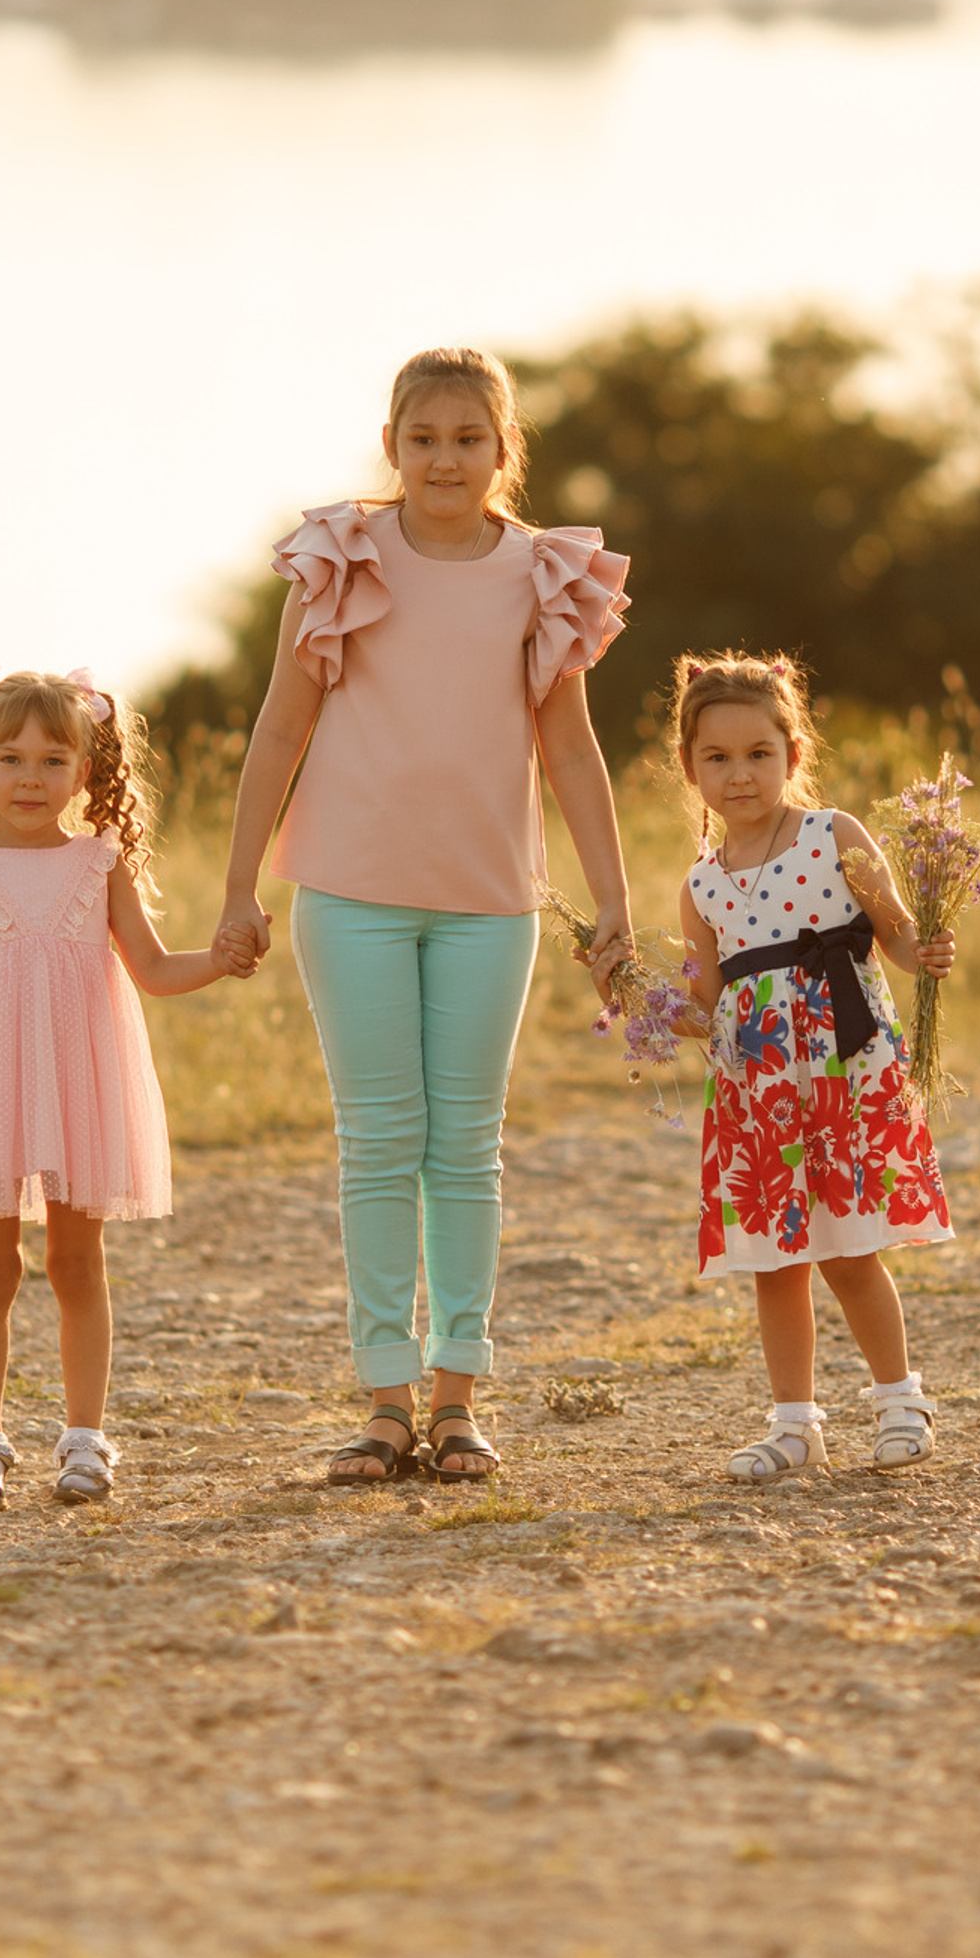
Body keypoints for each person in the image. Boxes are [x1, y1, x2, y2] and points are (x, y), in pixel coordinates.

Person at [215, 348, 633, 1486]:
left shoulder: (544, 573)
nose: (444, 460)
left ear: (504, 449)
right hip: (348, 893)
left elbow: (570, 747)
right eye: (423, 439)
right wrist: (240, 884)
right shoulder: (341, 558)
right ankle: (385, 1402)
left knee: (465, 1148)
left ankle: (457, 1400)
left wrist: (612, 899)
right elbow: (280, 728)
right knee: (378, 1142)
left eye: (467, 439)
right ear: (392, 445)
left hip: (489, 901)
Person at [0, 663, 246, 1511]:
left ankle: (85, 1439)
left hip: (78, 1087)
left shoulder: (100, 862)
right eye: (11, 758)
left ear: (85, 770)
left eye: (53, 760)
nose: (31, 778)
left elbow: (154, 969)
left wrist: (221, 958)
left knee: (75, 1260)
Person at [669, 652, 958, 1482]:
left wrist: (923, 949)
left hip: (844, 1070)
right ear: (690, 768)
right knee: (775, 1261)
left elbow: (894, 930)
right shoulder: (701, 886)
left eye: (759, 753)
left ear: (793, 754)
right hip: (759, 1090)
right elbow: (705, 1005)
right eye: (718, 757)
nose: (739, 774)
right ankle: (794, 1426)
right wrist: (642, 999)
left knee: (850, 1251)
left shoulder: (834, 836)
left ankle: (900, 1401)